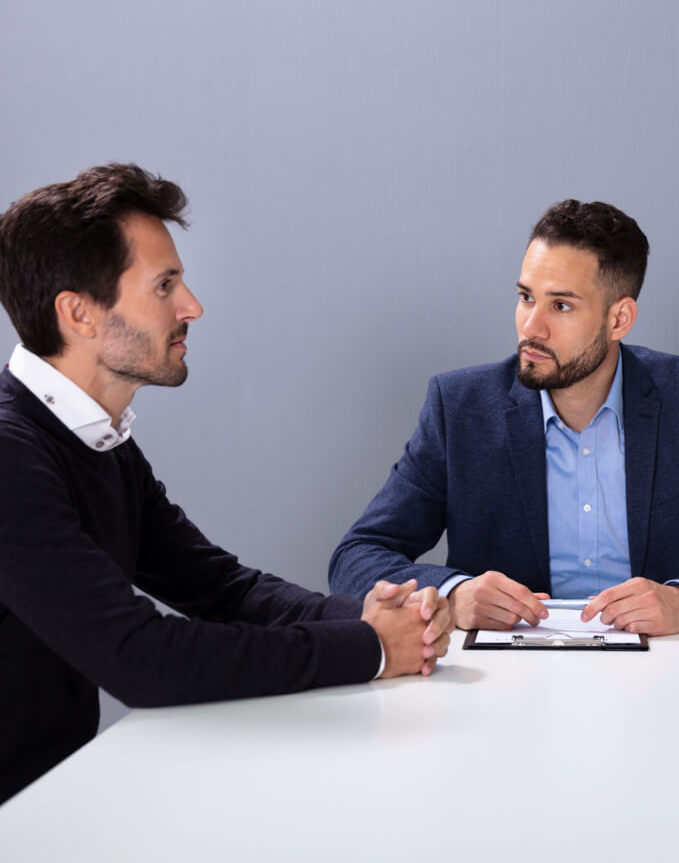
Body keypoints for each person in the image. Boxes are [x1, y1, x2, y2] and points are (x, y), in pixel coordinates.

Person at [0, 164, 452, 805]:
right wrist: (368, 647)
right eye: (165, 286)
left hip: (50, 807)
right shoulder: (11, 455)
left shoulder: (96, 440)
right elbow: (141, 658)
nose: (193, 307)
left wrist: (380, 619)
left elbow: (219, 589)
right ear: (79, 314)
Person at [329, 199, 679, 635]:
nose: (531, 327)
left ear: (619, 319)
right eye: (526, 297)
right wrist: (454, 592)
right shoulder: (460, 407)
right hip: (502, 688)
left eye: (560, 305)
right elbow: (356, 556)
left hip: (669, 681)